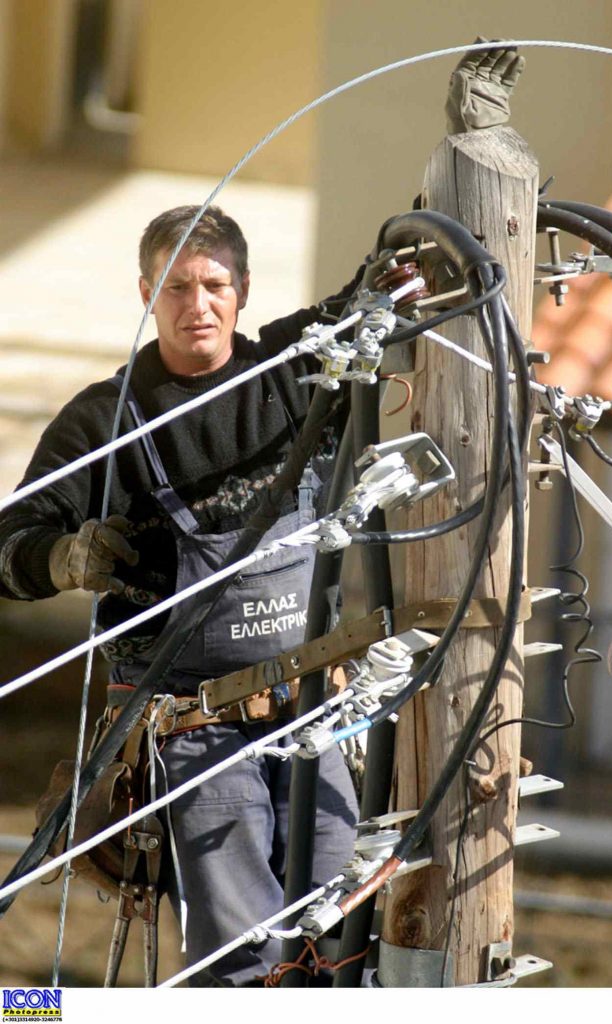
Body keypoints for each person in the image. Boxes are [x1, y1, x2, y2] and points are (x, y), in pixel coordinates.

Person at [0, 205, 360, 986]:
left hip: (313, 714)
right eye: (176, 287)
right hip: (194, 732)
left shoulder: (295, 373)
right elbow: (7, 545)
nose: (197, 304)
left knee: (343, 937)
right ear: (146, 294)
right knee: (243, 958)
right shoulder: (105, 421)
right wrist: (62, 558)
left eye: (214, 285)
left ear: (243, 290)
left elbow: (390, 288)